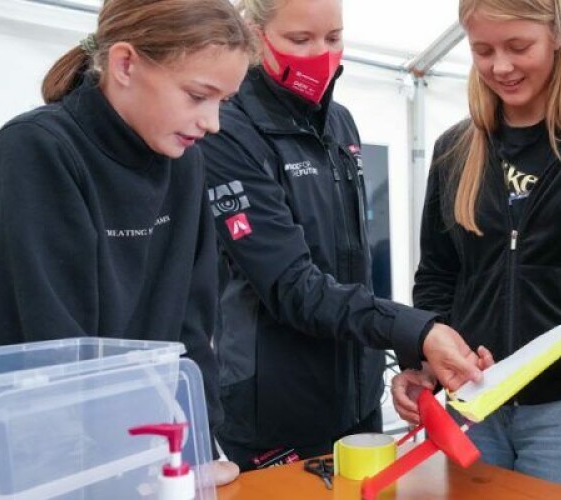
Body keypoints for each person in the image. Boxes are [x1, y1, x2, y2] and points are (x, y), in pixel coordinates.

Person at [391, 0, 561, 496]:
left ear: (558, 37)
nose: (501, 66)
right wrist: (422, 360)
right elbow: (436, 274)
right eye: (482, 50)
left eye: (519, 47)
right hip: (471, 404)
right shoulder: (454, 149)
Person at [198, 0, 490, 471]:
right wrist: (417, 328)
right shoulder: (227, 130)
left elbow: (354, 271)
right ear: (254, 34)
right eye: (300, 40)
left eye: (333, 38)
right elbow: (292, 284)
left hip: (357, 403)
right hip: (273, 413)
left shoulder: (341, 124)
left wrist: (406, 357)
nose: (321, 53)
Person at [0, 0, 254, 485]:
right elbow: (52, 345)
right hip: (59, 465)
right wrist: (112, 475)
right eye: (198, 95)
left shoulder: (185, 162)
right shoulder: (38, 149)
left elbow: (194, 329)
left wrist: (197, 445)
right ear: (125, 64)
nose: (213, 122)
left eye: (223, 101)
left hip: (148, 457)